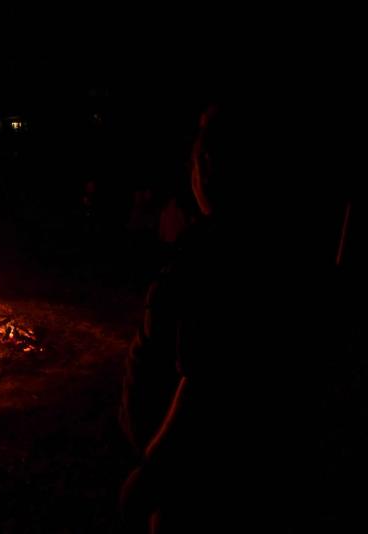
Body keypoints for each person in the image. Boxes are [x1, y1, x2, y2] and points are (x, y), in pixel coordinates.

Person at [118, 97, 343, 533]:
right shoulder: (274, 246)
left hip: (198, 480)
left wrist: (151, 471)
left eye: (200, 156)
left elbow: (204, 384)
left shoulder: (217, 260)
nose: (194, 169)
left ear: (211, 167)